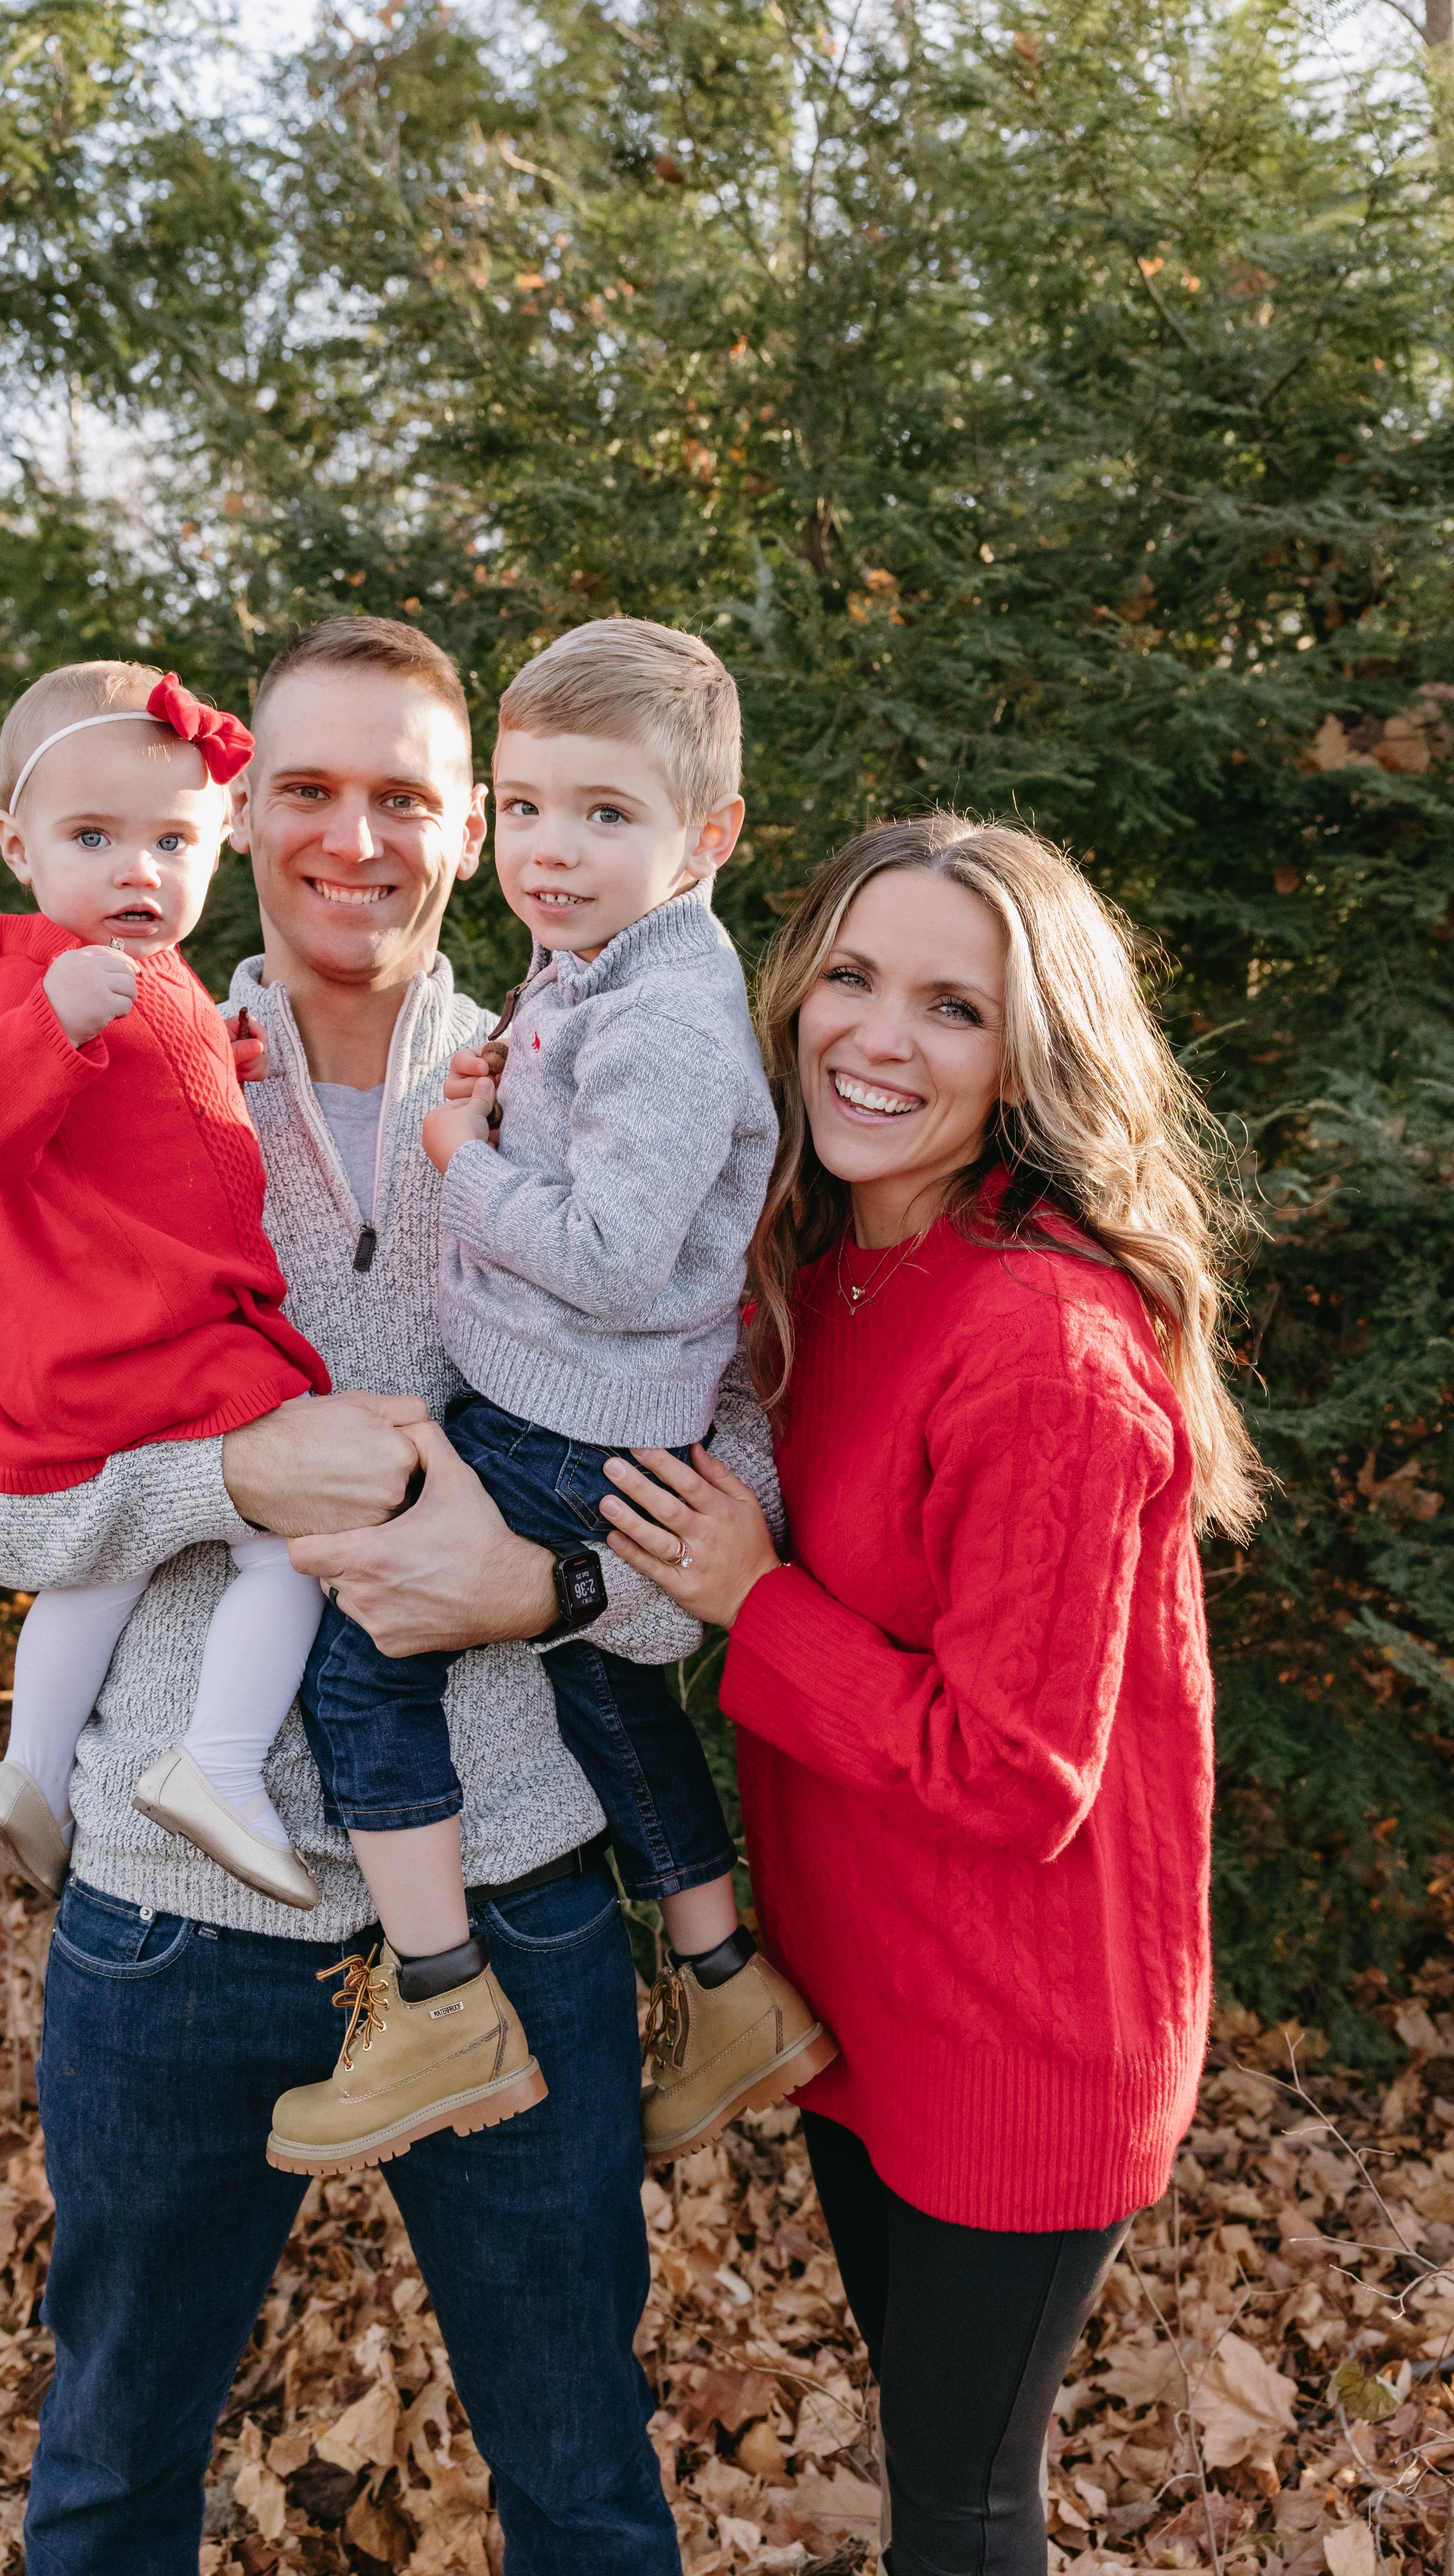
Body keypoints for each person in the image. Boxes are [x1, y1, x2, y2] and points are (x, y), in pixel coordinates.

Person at [0, 614, 774, 2576]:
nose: (349, 837)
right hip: (166, 1924)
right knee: (114, 2473)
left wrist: (544, 1585)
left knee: (583, 2482)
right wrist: (219, 1480)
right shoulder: (112, 1053)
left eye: (401, 795)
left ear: (475, 824)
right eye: (305, 789)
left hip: (524, 1900)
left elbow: (734, 1492)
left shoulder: (588, 1066)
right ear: (239, 811)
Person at [596, 813, 1265, 2576]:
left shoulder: (1046, 1345)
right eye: (855, 977)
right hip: (871, 1998)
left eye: (953, 1009)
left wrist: (756, 1597)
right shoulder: (833, 1267)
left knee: (963, 2512)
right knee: (926, 2453)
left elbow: (1013, 1770)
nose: (878, 1038)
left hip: (1019, 2036)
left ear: (1029, 1058)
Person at [271, 619, 830, 2180]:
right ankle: (725, 1981)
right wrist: (502, 1098)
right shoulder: (603, 966)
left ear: (706, 836)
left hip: (573, 1412)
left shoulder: (663, 1011)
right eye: (523, 809)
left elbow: (605, 1250)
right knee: (604, 1686)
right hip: (576, 1403)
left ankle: (442, 1997)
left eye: (603, 815)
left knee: (368, 1649)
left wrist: (461, 1162)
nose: (550, 852)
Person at [0, 663, 333, 1916]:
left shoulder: (162, 986)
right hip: (152, 1343)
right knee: (296, 1544)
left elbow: (163, 1105)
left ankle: (31, 1773)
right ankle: (216, 1768)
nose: (136, 871)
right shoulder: (42, 978)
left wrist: (229, 1053)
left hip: (116, 1353)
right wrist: (46, 1021)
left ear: (223, 837)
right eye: (92, 838)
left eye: (169, 839)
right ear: (17, 847)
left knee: (95, 1572)